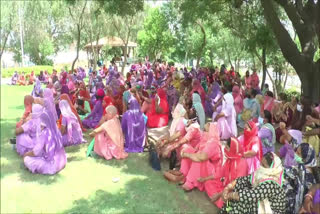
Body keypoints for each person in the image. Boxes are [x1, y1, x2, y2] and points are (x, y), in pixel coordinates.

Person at [220, 152, 286, 214]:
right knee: (238, 188)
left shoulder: (271, 183)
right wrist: (228, 187)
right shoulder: (263, 172)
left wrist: (230, 195)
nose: (260, 166)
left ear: (272, 168)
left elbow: (251, 195)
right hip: (261, 200)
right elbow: (244, 180)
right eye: (261, 163)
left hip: (270, 209)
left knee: (244, 203)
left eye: (263, 165)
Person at [282, 143, 317, 213]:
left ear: (306, 158)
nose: (295, 154)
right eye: (296, 151)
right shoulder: (300, 168)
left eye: (298, 153)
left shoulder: (307, 177)